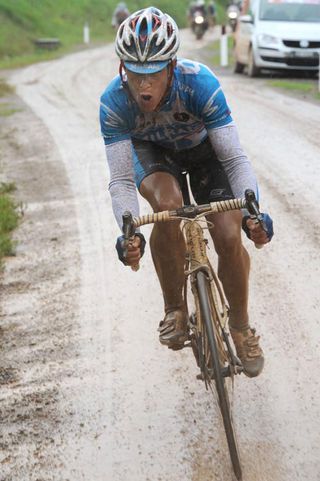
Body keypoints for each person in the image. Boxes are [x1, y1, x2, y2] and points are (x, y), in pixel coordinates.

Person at [99, 7, 274, 378]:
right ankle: (174, 309)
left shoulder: (200, 84)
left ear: (172, 67)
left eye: (153, 74)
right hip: (154, 155)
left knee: (228, 234)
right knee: (168, 206)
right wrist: (128, 233)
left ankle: (241, 327)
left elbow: (234, 156)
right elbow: (120, 181)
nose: (143, 86)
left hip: (206, 154)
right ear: (122, 70)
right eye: (134, 73)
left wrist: (252, 213)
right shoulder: (113, 103)